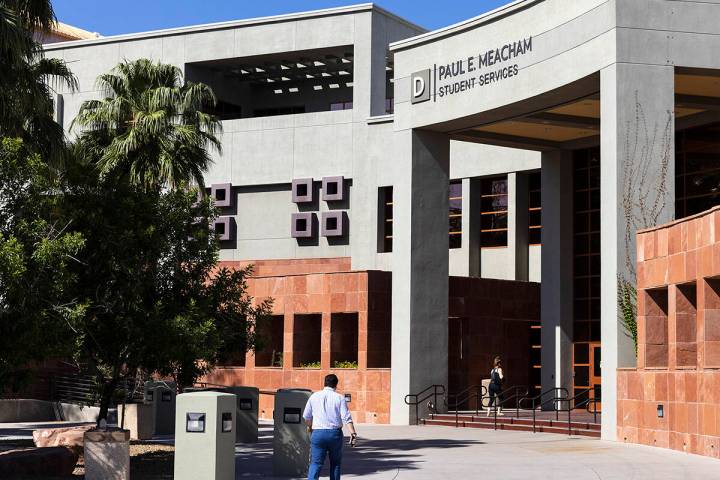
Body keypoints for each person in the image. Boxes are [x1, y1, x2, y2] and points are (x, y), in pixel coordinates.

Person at [303, 374, 358, 480]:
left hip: (318, 433)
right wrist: (353, 433)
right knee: (335, 464)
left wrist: (310, 426)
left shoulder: (314, 396)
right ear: (336, 385)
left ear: (324, 383)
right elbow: (346, 417)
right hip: (335, 434)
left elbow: (306, 417)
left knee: (315, 464)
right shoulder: (340, 398)